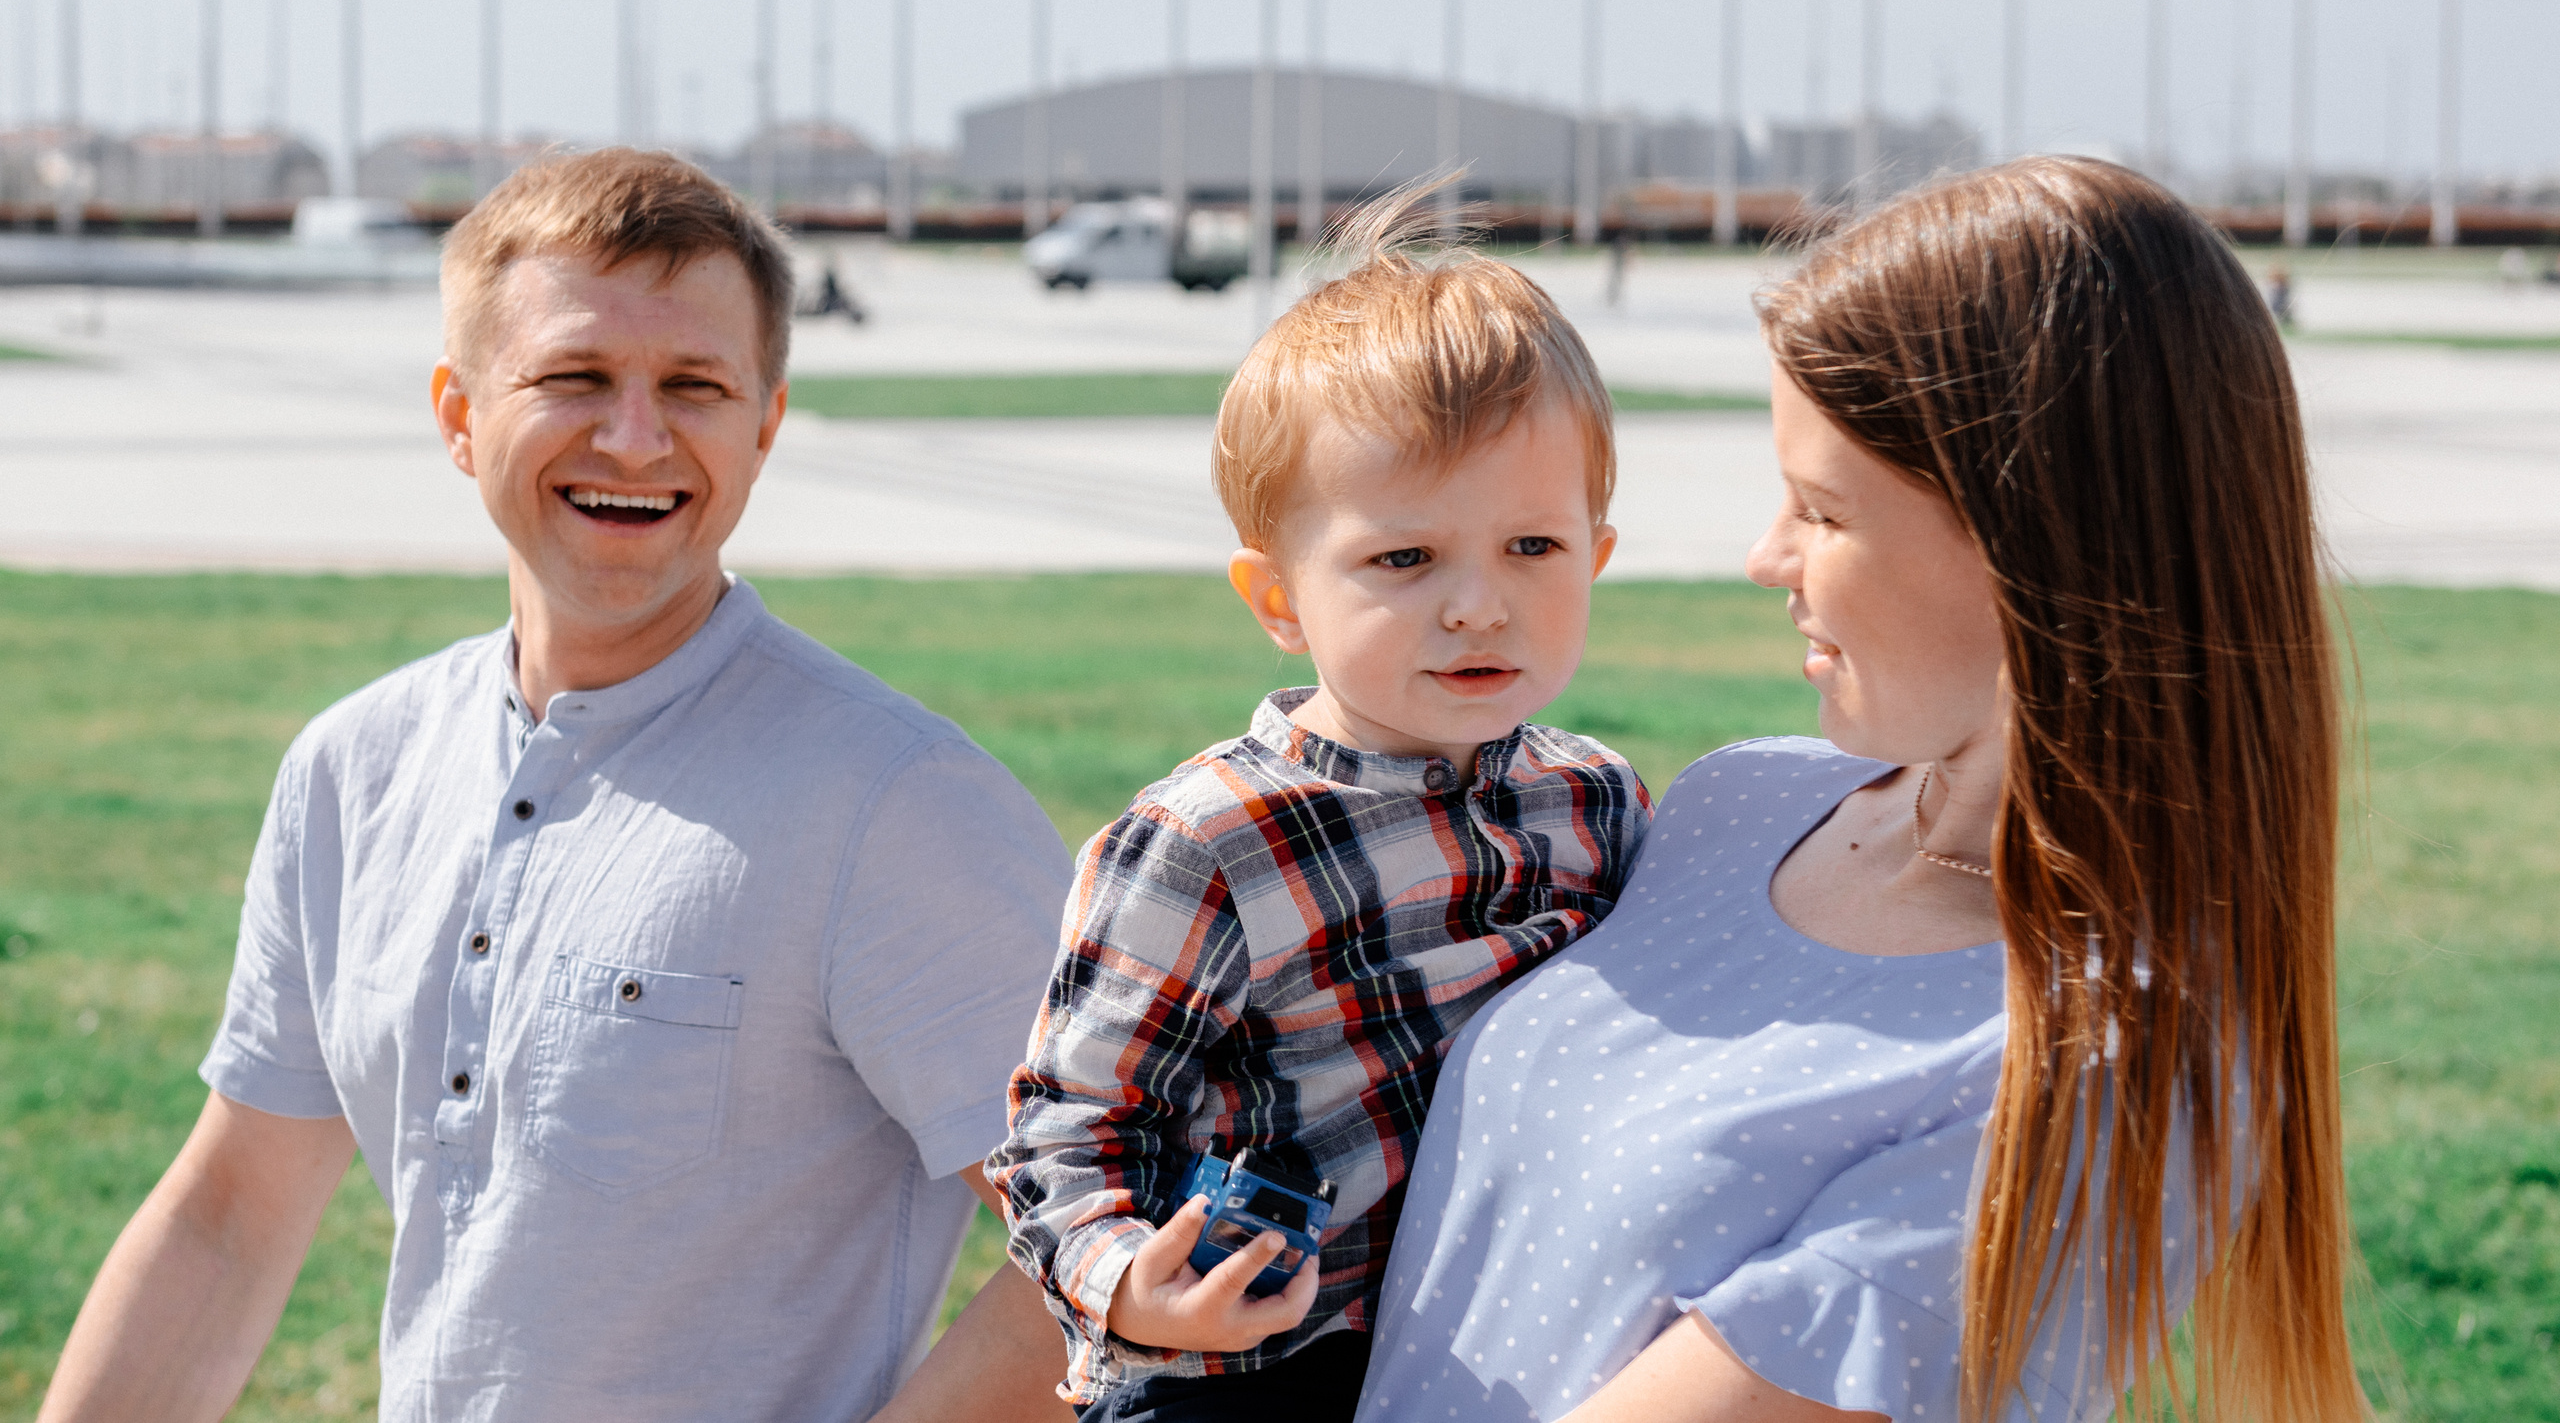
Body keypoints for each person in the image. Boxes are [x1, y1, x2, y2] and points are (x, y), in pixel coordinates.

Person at [39, 149, 1075, 1423]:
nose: (634, 436)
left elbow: (1106, 1249)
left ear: (766, 422)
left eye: (694, 384)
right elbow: (229, 1219)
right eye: (573, 376)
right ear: (460, 413)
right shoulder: (351, 768)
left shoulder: (895, 803)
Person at [1359, 157, 2366, 1423]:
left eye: (1820, 510)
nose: (1762, 556)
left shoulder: (2107, 1061)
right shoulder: (1736, 806)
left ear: (2029, 540)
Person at [989, 189, 1654, 1423]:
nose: (1478, 605)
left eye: (1533, 548)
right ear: (1278, 596)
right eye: (1405, 559)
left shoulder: (1596, 800)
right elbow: (1068, 1126)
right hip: (1257, 1368)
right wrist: (1132, 1283)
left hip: (1510, 1335)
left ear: (1595, 557)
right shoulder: (1211, 839)